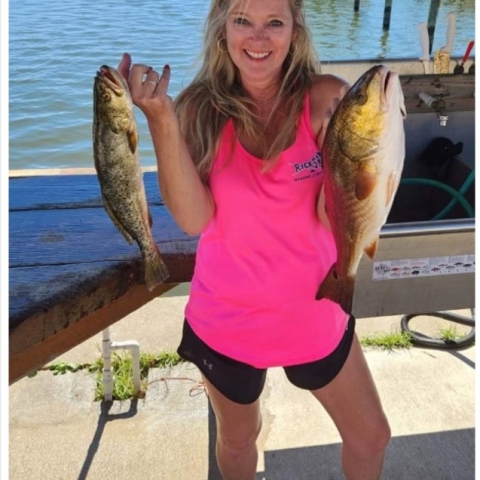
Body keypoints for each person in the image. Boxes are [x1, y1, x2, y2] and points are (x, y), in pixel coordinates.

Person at [118, 0, 390, 478]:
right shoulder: (199, 108)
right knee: (240, 439)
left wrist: (356, 162)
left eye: (274, 23)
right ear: (222, 28)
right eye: (243, 20)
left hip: (317, 312)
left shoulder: (328, 98)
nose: (258, 38)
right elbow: (193, 219)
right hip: (227, 324)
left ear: (295, 30)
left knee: (371, 436)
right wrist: (161, 117)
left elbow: (337, 219)